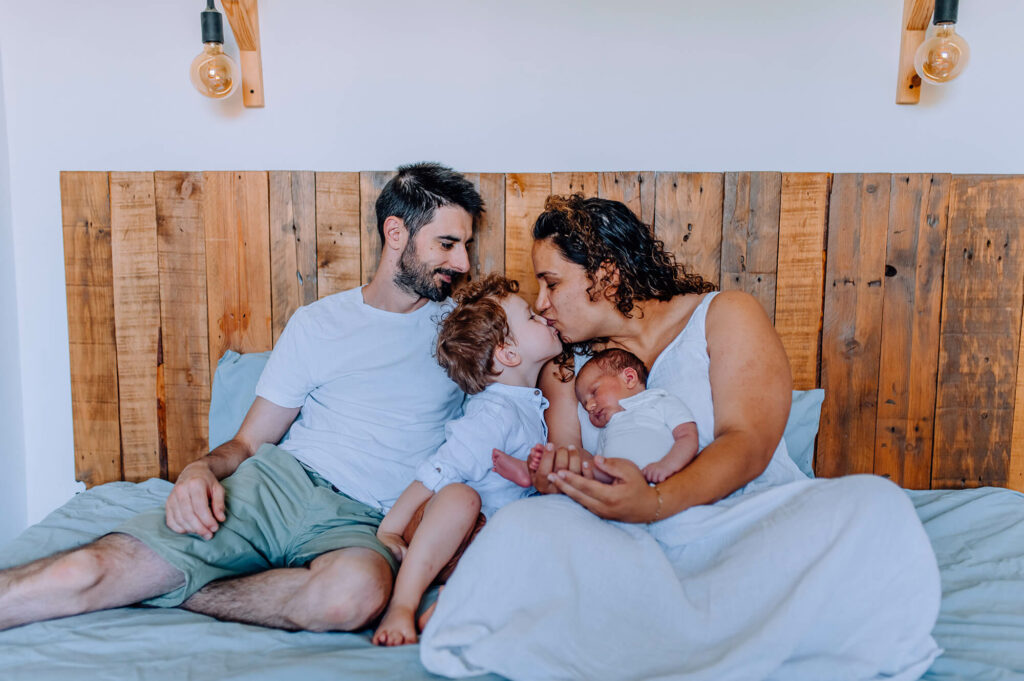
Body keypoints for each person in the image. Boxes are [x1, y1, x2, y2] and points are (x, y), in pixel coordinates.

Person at [421, 194, 942, 681]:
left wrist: (654, 500)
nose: (543, 301)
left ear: (604, 275)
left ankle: (707, 628)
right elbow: (568, 461)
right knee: (522, 524)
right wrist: (568, 480)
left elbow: (749, 442)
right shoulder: (562, 364)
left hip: (739, 524)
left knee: (874, 504)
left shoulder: (723, 315)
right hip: (621, 539)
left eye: (551, 283)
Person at [0, 162, 484, 633]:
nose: (462, 263)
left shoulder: (469, 331)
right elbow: (249, 443)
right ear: (395, 233)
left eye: (465, 246)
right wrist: (198, 469)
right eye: (447, 243)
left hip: (364, 519)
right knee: (89, 572)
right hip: (279, 485)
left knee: (352, 597)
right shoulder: (319, 324)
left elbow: (533, 369)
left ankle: (184, 588)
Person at [373, 274, 562, 646]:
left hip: (484, 546)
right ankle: (402, 604)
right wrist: (390, 529)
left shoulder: (527, 405)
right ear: (508, 353)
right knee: (461, 494)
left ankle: (451, 605)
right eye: (530, 317)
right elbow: (440, 471)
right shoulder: (494, 413)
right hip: (447, 531)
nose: (542, 314)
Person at [499, 347, 699, 487]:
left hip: (660, 478)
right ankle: (543, 465)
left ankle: (544, 468)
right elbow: (599, 467)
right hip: (617, 483)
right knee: (586, 465)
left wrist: (668, 465)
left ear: (629, 378)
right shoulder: (608, 431)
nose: (590, 406)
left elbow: (687, 436)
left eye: (594, 392)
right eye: (585, 404)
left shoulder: (657, 401)